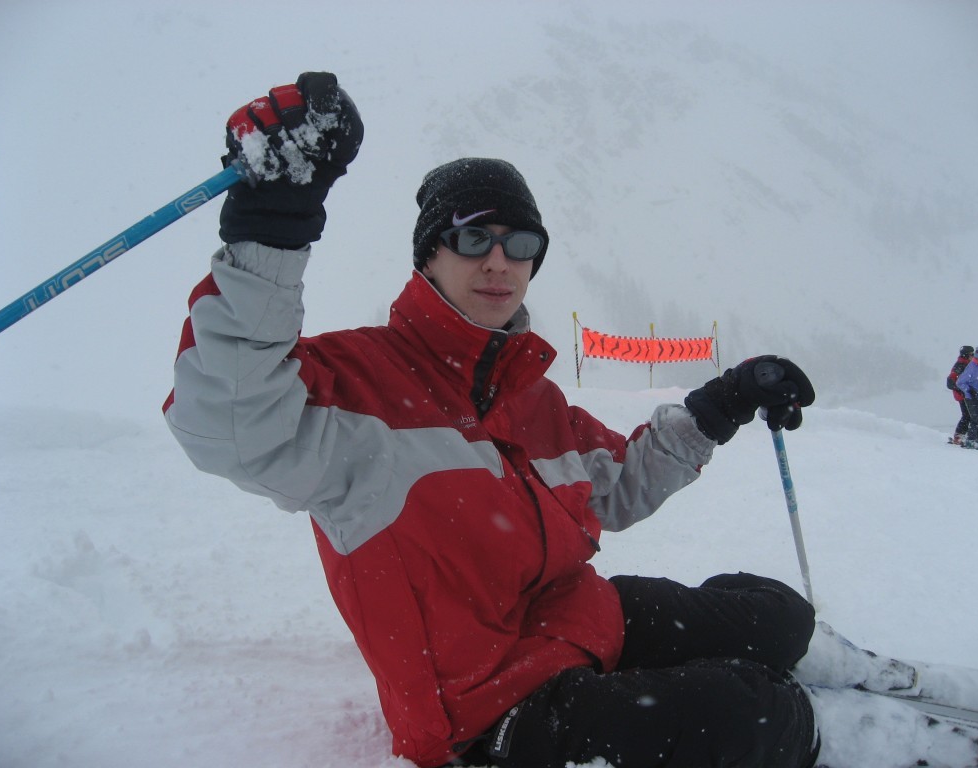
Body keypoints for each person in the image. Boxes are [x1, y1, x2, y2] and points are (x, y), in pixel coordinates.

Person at [164, 74, 925, 768]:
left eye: (520, 244)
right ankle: (848, 739)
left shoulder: (530, 399)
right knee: (754, 714)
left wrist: (722, 403)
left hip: (572, 624)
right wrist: (271, 228)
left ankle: (826, 671)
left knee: (775, 616)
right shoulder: (359, 386)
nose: (499, 262)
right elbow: (231, 420)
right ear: (429, 256)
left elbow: (620, 481)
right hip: (487, 714)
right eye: (473, 238)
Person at [956, 346, 978, 451]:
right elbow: (960, 382)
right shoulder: (972, 368)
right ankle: (971, 440)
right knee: (976, 420)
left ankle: (977, 440)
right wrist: (969, 390)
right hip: (973, 399)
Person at [946, 345, 974, 445]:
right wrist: (961, 389)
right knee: (967, 415)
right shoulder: (960, 365)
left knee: (969, 415)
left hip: (966, 394)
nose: (973, 356)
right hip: (962, 395)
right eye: (971, 354)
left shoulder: (967, 364)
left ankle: (963, 435)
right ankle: (959, 436)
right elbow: (950, 381)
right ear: (966, 355)